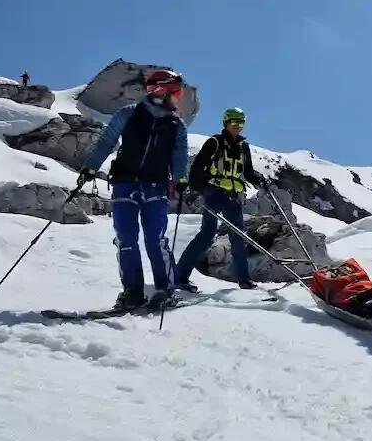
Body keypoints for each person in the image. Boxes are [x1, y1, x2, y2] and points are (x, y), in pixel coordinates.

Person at [78, 70, 189, 311]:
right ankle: (133, 291)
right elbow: (107, 141)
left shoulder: (176, 124)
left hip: (155, 186)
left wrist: (181, 180)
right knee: (125, 238)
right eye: (176, 92)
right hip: (124, 183)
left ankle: (165, 290)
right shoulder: (128, 114)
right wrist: (90, 168)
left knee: (154, 238)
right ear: (162, 91)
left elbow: (179, 157)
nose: (177, 98)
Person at [173, 107, 270, 293]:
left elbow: (247, 172)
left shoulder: (243, 147)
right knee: (207, 235)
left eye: (241, 124)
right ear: (226, 123)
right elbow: (196, 169)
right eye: (234, 123)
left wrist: (259, 180)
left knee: (238, 238)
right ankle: (179, 276)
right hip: (214, 194)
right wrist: (201, 188)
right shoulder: (214, 143)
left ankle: (244, 279)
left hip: (233, 197)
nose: (238, 127)